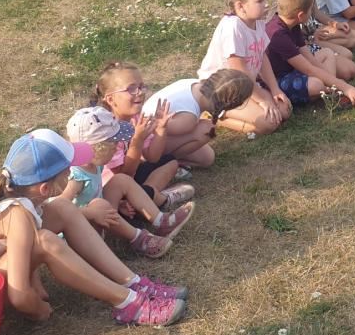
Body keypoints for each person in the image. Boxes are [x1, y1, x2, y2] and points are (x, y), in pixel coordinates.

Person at [0, 129, 186, 327]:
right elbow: (20, 296)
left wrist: (33, 278)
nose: (73, 173)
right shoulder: (17, 215)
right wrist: (37, 308)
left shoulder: (13, 194)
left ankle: (133, 282)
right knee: (45, 241)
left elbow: (13, 246)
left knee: (63, 208)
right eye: (68, 171)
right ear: (46, 188)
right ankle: (128, 303)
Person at [57, 114, 195, 258]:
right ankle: (140, 240)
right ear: (98, 147)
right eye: (114, 143)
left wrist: (119, 203)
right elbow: (60, 209)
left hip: (96, 218)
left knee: (120, 180)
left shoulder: (95, 165)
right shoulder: (76, 177)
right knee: (100, 204)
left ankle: (162, 221)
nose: (117, 147)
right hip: (78, 233)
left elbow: (93, 193)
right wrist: (91, 212)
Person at [198, 0, 293, 135]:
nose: (266, 4)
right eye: (260, 1)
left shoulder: (258, 20)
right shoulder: (233, 28)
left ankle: (240, 110)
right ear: (240, 6)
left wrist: (275, 89)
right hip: (221, 90)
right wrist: (262, 99)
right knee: (270, 123)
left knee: (284, 110)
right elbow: (239, 71)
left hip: (244, 86)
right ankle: (214, 115)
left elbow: (262, 57)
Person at [266, 0, 355, 107]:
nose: (312, 12)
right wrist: (345, 87)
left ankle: (330, 91)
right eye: (310, 10)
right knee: (316, 84)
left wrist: (334, 83)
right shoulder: (278, 34)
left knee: (327, 53)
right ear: (300, 15)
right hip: (277, 79)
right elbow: (308, 69)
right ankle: (329, 91)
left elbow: (310, 59)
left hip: (291, 69)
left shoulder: (292, 24)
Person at [89, 62, 183, 190]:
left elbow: (153, 157)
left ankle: (147, 194)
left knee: (170, 161)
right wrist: (137, 141)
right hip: (109, 188)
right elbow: (123, 175)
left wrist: (161, 128)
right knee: (125, 182)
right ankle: (148, 196)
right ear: (111, 99)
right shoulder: (106, 130)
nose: (140, 92)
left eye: (141, 86)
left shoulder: (136, 118)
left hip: (130, 176)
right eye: (131, 89)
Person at [139, 70, 256, 169]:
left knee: (207, 158)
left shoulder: (193, 84)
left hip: (153, 134)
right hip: (148, 147)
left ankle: (176, 161)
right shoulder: (188, 119)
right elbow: (158, 130)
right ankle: (164, 163)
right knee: (206, 130)